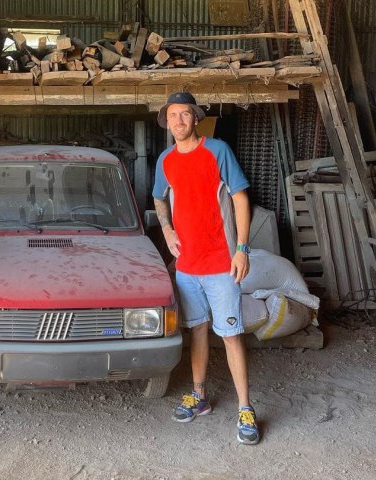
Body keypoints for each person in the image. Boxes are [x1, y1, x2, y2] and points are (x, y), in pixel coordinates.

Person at [152, 92, 260, 445]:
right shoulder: (165, 160)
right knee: (196, 331)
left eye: (185, 115)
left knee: (230, 334)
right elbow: (158, 196)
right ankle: (199, 397)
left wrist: (241, 249)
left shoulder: (218, 151)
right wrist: (167, 230)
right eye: (172, 116)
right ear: (166, 122)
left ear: (195, 118)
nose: (178, 121)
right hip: (187, 266)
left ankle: (245, 408)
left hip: (221, 263)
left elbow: (241, 199)